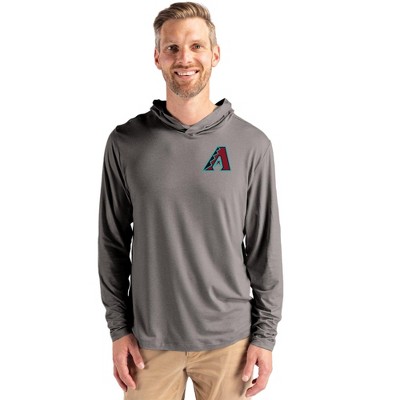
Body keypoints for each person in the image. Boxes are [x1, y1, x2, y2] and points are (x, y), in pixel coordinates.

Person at [98, 2, 283, 399]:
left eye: (196, 46)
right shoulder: (126, 143)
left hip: (230, 343)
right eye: (173, 48)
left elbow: (264, 247)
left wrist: (265, 336)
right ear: (157, 57)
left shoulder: (252, 144)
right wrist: (118, 329)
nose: (185, 58)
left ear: (215, 54)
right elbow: (112, 243)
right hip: (148, 342)